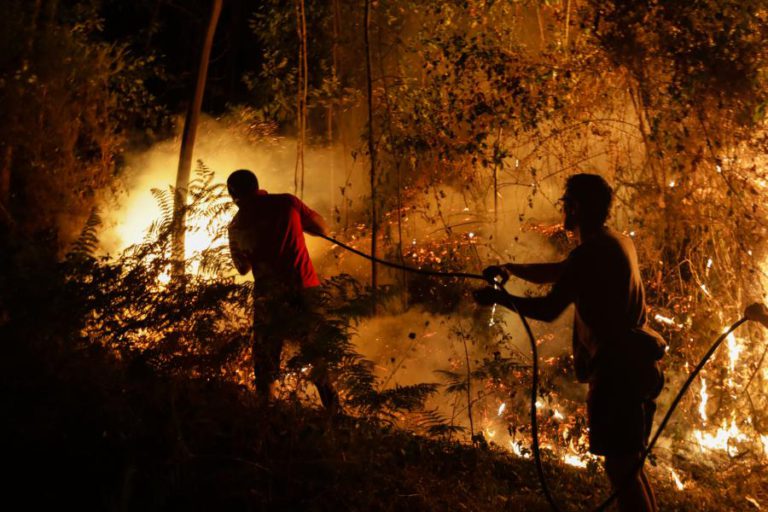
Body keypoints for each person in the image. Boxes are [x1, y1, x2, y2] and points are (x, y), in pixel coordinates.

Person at [475, 173, 665, 512]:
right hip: (636, 368)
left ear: (575, 207)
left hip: (616, 373)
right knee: (630, 466)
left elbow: (549, 309)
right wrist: (510, 268)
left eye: (567, 204)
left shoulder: (590, 254)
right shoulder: (617, 242)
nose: (564, 211)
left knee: (621, 468)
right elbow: (563, 271)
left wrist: (499, 299)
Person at [227, 169, 339, 410]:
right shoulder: (287, 202)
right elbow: (323, 229)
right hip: (304, 289)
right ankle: (333, 410)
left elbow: (242, 268)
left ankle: (266, 411)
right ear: (257, 185)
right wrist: (298, 225)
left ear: (233, 195)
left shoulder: (236, 226)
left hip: (269, 297)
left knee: (266, 358)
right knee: (315, 352)